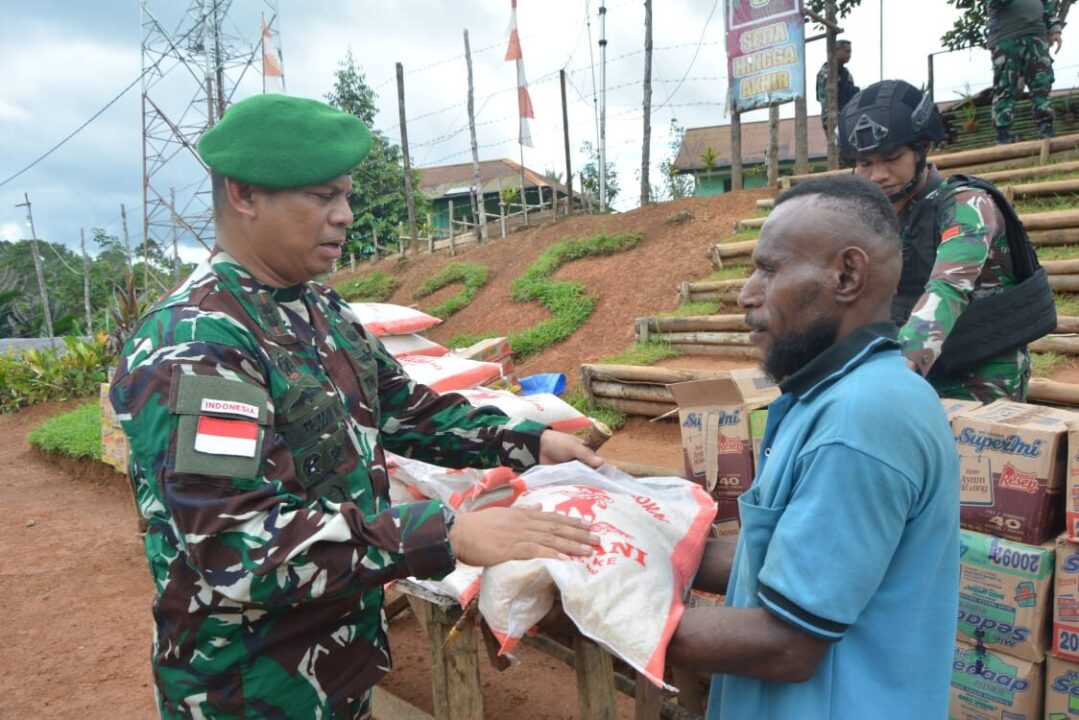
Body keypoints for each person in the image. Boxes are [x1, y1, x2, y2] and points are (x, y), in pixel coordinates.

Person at [109, 93, 604, 719]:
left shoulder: (324, 312)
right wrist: (447, 532)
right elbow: (237, 547)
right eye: (321, 197)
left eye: (345, 195)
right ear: (243, 195)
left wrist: (529, 442)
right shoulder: (200, 344)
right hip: (247, 688)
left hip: (335, 667)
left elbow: (409, 413)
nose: (344, 215)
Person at [666, 175, 959, 719]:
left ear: (846, 275)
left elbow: (786, 644)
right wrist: (644, 542)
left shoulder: (862, 419)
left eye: (769, 269)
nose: (746, 292)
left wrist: (592, 609)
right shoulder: (825, 397)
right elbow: (778, 557)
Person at [837, 79, 1056, 402]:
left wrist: (902, 362)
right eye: (865, 164)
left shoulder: (966, 205)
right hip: (913, 365)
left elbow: (949, 284)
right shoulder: (872, 217)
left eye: (891, 158)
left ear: (923, 149)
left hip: (981, 369)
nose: (877, 175)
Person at [987, 0, 1064, 143]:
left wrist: (1054, 30)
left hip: (1036, 35)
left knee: (1041, 82)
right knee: (1006, 86)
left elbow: (1047, 4)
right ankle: (1003, 134)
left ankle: (1046, 127)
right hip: (1006, 38)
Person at [815, 39, 859, 134]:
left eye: (850, 52)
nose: (849, 55)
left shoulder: (846, 73)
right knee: (836, 146)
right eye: (846, 51)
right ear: (836, 51)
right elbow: (823, 97)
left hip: (847, 115)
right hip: (832, 117)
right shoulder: (827, 72)